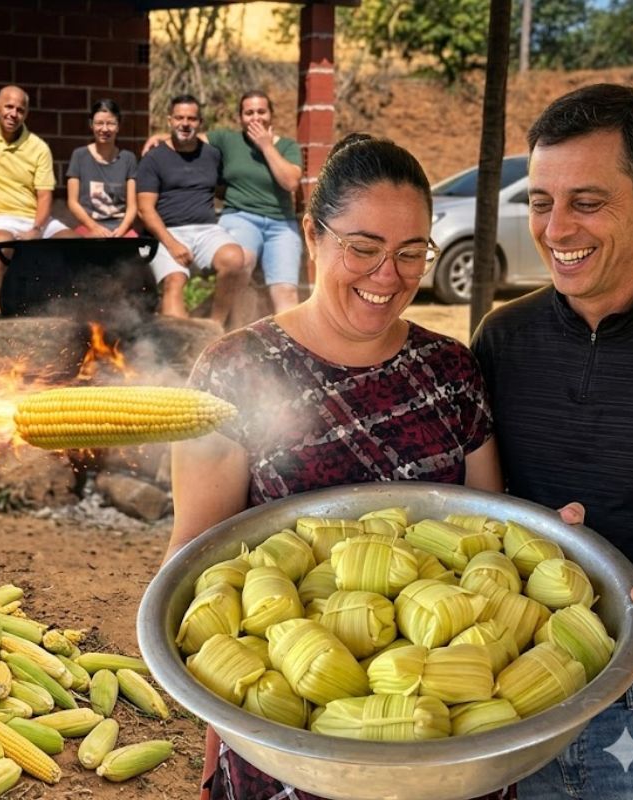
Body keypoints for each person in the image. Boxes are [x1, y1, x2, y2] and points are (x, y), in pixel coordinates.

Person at [169, 134, 505, 800]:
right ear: (313, 235)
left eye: (412, 251)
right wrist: (217, 726)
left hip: (438, 743)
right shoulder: (233, 369)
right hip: (289, 743)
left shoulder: (451, 369)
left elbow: (487, 545)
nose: (390, 276)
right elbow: (197, 569)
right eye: (364, 247)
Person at [472, 83, 633, 800]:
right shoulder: (502, 337)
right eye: (539, 201)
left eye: (586, 202)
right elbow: (479, 506)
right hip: (515, 706)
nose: (556, 229)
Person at [144, 90, 304, 313]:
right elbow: (188, 136)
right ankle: (221, 331)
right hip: (241, 216)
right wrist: (160, 137)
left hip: (281, 224)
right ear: (240, 117)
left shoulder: (287, 146)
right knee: (241, 262)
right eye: (249, 113)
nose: (255, 117)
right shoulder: (228, 140)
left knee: (286, 291)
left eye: (261, 112)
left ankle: (288, 346)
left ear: (271, 115)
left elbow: (291, 183)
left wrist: (266, 146)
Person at [136, 95, 249, 328]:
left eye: (191, 118)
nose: (185, 123)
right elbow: (145, 210)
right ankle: (178, 347)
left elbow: (223, 188)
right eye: (179, 117)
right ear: (169, 120)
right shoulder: (153, 159)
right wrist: (172, 244)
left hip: (206, 230)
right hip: (166, 231)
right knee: (174, 282)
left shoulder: (212, 155)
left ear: (199, 122)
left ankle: (213, 328)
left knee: (235, 259)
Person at [0, 85, 76, 314]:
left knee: (73, 242)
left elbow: (45, 194)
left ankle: (68, 309)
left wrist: (37, 228)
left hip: (32, 217)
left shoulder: (38, 147)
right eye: (8, 107)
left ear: (26, 114)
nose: (13, 114)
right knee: (1, 242)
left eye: (20, 109)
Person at [65, 99, 138, 238]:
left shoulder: (128, 158)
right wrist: (94, 227)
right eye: (99, 123)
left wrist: (122, 230)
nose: (104, 129)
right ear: (91, 124)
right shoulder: (79, 156)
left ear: (118, 126)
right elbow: (72, 202)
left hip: (121, 227)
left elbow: (132, 206)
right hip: (88, 225)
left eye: (110, 123)